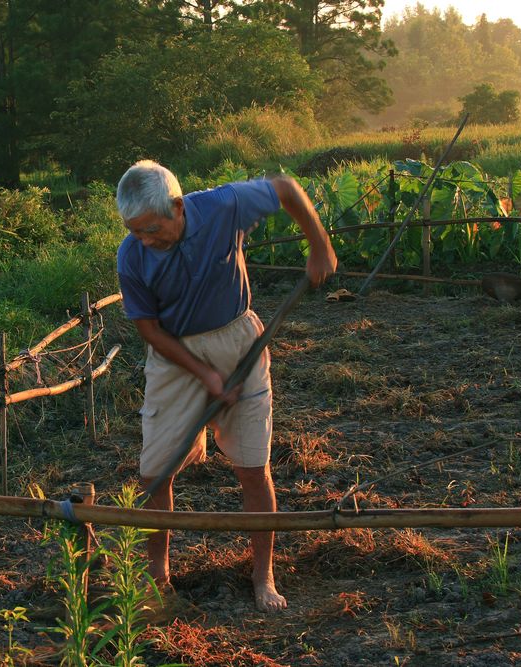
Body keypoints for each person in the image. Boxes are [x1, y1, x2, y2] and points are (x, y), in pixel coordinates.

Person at [115, 160, 337, 613]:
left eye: (152, 229)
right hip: (175, 356)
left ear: (177, 207)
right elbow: (150, 331)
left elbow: (286, 188)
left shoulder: (222, 206)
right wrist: (206, 375)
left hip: (238, 341)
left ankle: (263, 575)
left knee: (253, 467)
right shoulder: (131, 256)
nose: (145, 240)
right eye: (135, 231)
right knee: (155, 473)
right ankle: (158, 578)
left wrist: (319, 246)